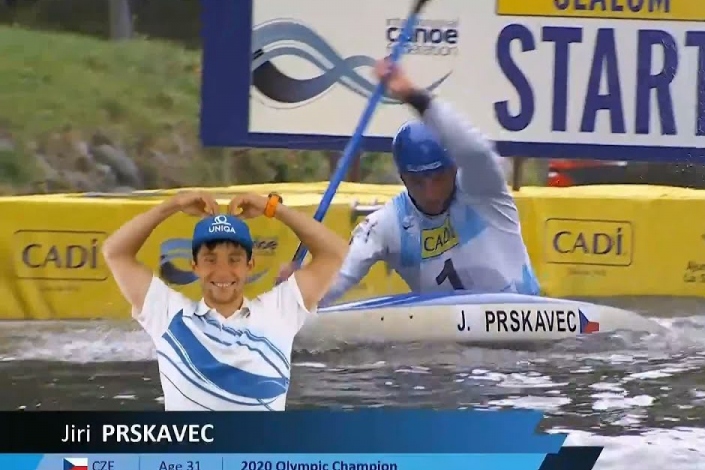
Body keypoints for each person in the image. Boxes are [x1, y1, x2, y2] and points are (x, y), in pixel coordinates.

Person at [278, 58, 541, 305]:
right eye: (417, 181)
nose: (430, 193)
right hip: (452, 349)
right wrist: (301, 289)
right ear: (403, 177)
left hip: (526, 339)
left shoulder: (483, 190)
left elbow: (476, 151)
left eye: (438, 177)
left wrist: (413, 97)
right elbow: (340, 277)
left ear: (453, 168)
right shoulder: (388, 224)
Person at [102, 190, 347, 410]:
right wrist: (173, 204)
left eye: (234, 260)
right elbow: (115, 251)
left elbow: (335, 252)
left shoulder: (280, 310)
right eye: (210, 259)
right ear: (194, 266)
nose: (222, 272)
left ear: (250, 265)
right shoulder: (166, 313)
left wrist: (272, 208)